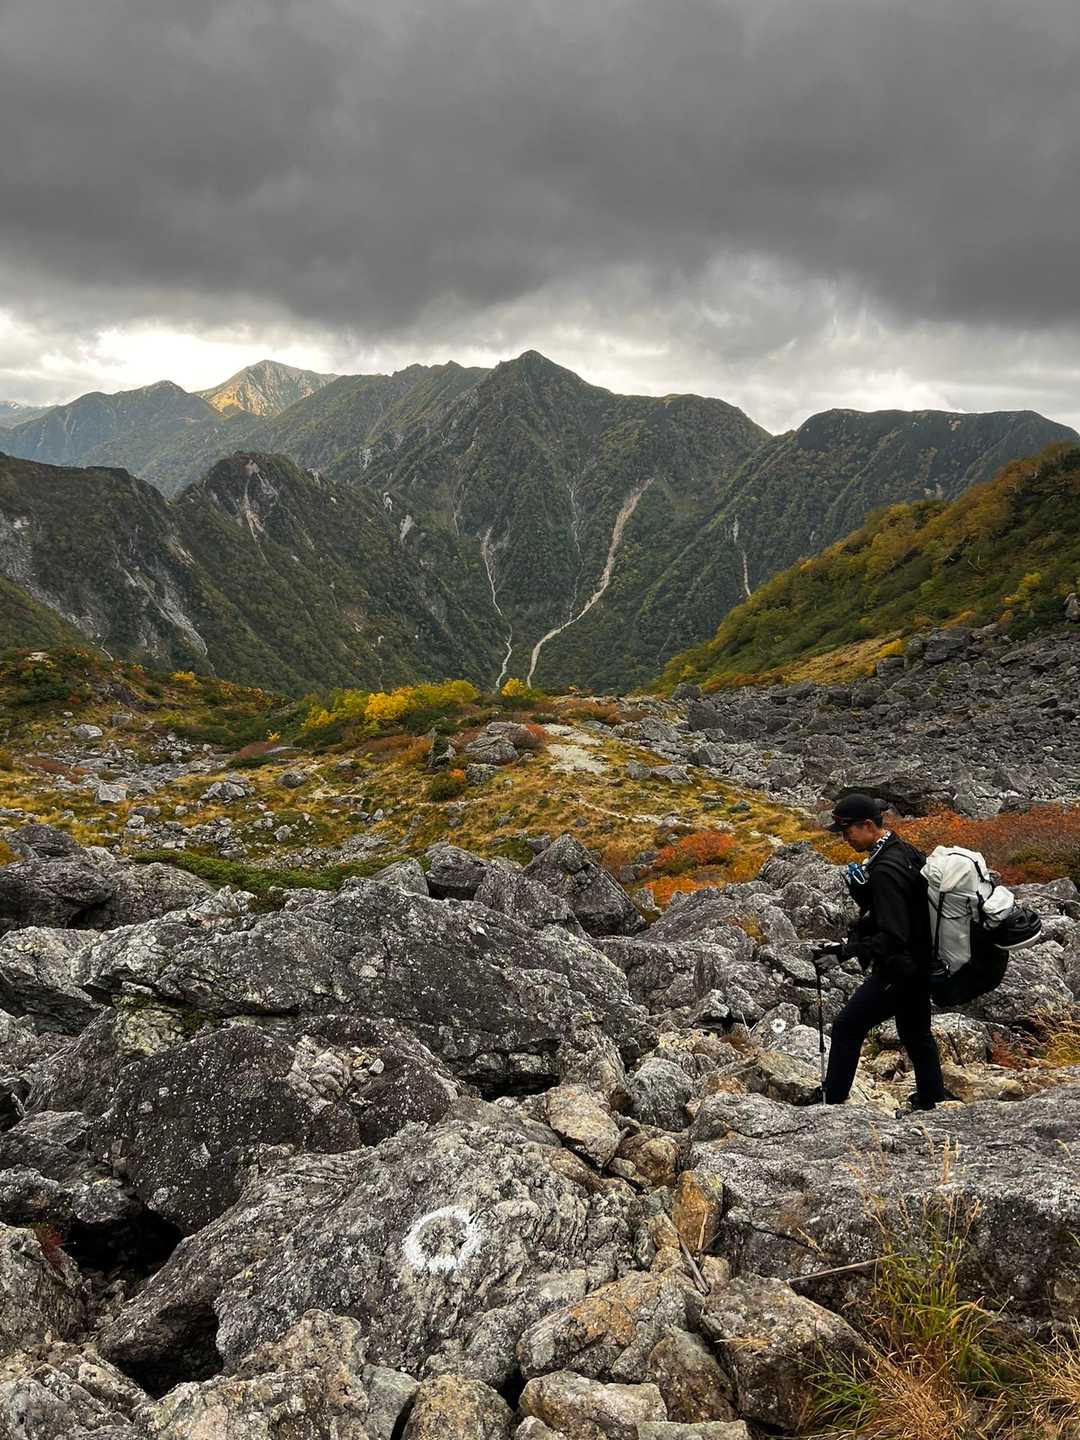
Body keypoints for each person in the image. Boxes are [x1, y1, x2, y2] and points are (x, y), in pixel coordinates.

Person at [813, 793, 949, 1112]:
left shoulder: (885, 869)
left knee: (848, 1026)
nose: (845, 838)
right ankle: (931, 1098)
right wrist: (866, 896)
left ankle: (832, 1100)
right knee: (915, 1033)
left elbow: (893, 936)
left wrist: (843, 952)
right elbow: (908, 909)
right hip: (921, 962)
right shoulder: (902, 850)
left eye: (847, 830)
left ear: (867, 825)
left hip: (899, 969)